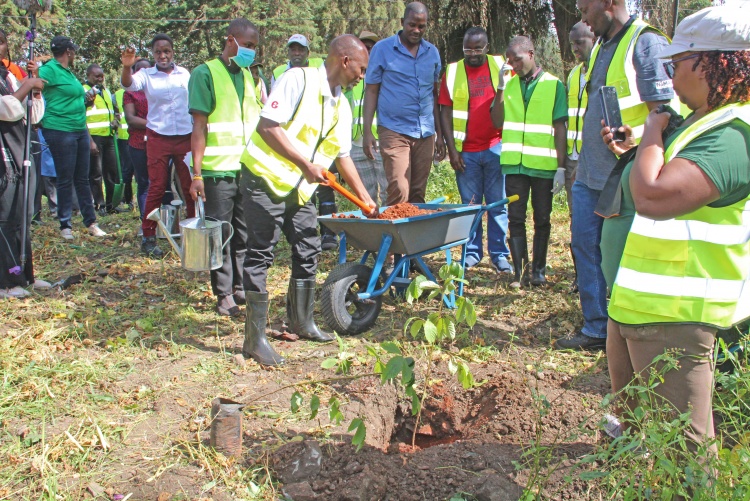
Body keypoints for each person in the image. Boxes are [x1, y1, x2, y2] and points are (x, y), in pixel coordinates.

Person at [602, 5, 750, 455]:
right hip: (644, 310)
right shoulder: (704, 121)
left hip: (680, 318)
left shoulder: (732, 135)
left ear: (711, 63)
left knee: (683, 455)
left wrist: (652, 127)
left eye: (677, 62)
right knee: (640, 433)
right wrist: (641, 145)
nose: (669, 73)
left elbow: (653, 195)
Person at [240, 35, 377, 366]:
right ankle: (254, 340)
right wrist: (305, 164)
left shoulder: (341, 105)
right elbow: (267, 127)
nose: (363, 75)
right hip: (264, 179)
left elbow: (342, 156)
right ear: (345, 61)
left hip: (298, 190)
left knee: (309, 247)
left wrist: (365, 198)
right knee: (261, 254)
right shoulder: (297, 80)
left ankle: (300, 321)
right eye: (361, 68)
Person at [557, 0, 676, 350]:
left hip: (626, 178)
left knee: (621, 256)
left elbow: (667, 114)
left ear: (609, 3)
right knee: (585, 247)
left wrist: (637, 143)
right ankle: (596, 327)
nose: (582, 18)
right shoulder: (602, 47)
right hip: (590, 175)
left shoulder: (645, 42)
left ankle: (633, 331)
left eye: (585, 9)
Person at [188, 18, 261, 317]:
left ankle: (240, 287)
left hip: (245, 171)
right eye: (247, 45)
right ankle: (223, 294)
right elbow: (199, 127)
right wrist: (196, 173)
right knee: (220, 235)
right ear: (231, 41)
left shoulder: (247, 76)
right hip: (217, 172)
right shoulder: (205, 74)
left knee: (244, 234)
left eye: (255, 48)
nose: (251, 52)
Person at [490, 36, 567, 288]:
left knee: (543, 219)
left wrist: (561, 167)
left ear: (532, 54)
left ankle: (539, 273)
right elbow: (496, 121)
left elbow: (560, 127)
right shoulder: (508, 85)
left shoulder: (554, 85)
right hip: (514, 166)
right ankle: (520, 274)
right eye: (510, 61)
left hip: (543, 167)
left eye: (518, 59)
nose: (514, 64)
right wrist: (500, 87)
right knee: (515, 219)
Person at [439, 26, 511, 274]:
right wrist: (452, 150)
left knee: (497, 205)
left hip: (495, 147)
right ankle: (471, 253)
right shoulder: (453, 71)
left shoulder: (500, 65)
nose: (472, 54)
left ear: (487, 47)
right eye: (467, 49)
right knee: (470, 206)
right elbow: (445, 112)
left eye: (477, 49)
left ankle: (499, 255)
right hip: (465, 152)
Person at [363, 1, 445, 206]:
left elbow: (434, 94)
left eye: (422, 26)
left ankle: (414, 238)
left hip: (425, 132)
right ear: (402, 22)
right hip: (394, 129)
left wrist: (440, 135)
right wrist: (367, 131)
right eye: (412, 25)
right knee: (399, 188)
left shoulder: (432, 53)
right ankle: (393, 236)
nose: (417, 30)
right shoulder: (382, 49)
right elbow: (372, 90)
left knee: (418, 193)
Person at [121, 34, 194, 257]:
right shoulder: (146, 74)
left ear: (173, 52)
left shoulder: (185, 74)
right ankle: (149, 237)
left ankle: (194, 234)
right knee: (156, 185)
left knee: (190, 185)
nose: (163, 55)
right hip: (158, 136)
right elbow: (129, 84)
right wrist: (126, 67)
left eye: (167, 51)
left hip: (185, 136)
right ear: (153, 55)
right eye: (158, 52)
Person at [39, 36, 106, 240]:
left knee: (82, 178)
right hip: (60, 129)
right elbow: (33, 84)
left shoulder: (69, 73)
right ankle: (65, 225)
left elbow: (71, 99)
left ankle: (91, 222)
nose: (75, 54)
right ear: (68, 51)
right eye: (74, 51)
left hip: (78, 130)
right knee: (65, 178)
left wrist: (86, 102)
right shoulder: (50, 69)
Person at [0, 32, 49, 298]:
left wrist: (35, 88)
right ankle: (6, 281)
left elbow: (30, 115)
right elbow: (6, 108)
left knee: (22, 215)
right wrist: (25, 87)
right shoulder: (15, 83)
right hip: (3, 153)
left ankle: (25, 275)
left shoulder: (9, 76)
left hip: (20, 149)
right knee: (5, 215)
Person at [564, 22, 596, 293]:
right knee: (577, 220)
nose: (575, 49)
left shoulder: (603, 68)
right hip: (574, 157)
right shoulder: (574, 74)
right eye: (572, 44)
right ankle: (580, 277)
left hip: (596, 157)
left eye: (580, 43)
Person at [349, 30, 387, 207]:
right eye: (363, 47)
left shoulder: (385, 75)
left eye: (370, 48)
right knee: (365, 198)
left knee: (388, 193)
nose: (366, 52)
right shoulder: (350, 77)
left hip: (380, 142)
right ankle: (371, 233)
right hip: (355, 145)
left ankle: (390, 232)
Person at [83, 63, 120, 215]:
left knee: (111, 171)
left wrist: (116, 121)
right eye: (96, 76)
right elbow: (80, 114)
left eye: (101, 76)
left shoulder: (106, 91)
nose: (99, 79)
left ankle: (112, 204)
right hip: (94, 136)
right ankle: (100, 204)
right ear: (88, 76)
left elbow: (116, 111)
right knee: (96, 173)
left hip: (109, 136)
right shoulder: (84, 91)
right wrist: (89, 139)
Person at [122, 58, 152, 226]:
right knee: (144, 182)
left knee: (161, 183)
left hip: (160, 142)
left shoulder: (158, 90)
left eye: (148, 69)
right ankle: (146, 221)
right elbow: (131, 119)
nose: (144, 73)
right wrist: (156, 125)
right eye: (140, 70)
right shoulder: (130, 93)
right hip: (138, 143)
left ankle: (164, 221)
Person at [113, 85, 133, 211]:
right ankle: (127, 199)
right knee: (127, 171)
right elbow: (115, 113)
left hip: (142, 137)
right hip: (124, 138)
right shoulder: (117, 95)